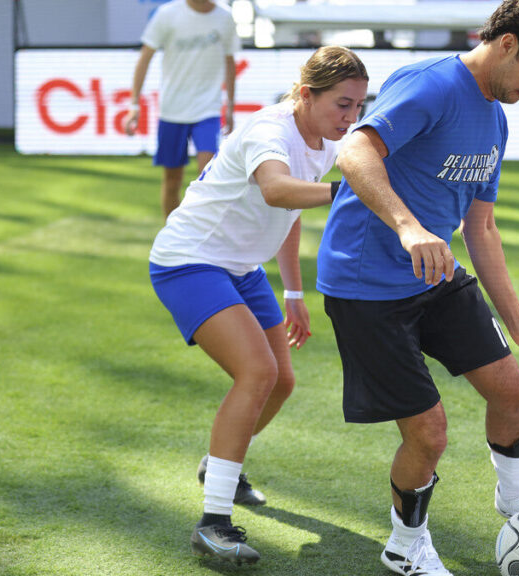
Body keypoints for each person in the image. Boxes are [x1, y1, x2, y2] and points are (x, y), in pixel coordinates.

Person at [315, 1, 519, 574]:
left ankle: (515, 503)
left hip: (435, 278)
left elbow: (481, 227)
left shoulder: (496, 120)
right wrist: (408, 226)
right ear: (509, 43)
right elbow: (354, 150)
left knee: (514, 395)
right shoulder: (432, 85)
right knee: (429, 433)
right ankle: (405, 545)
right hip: (366, 286)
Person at [148, 46, 369, 565]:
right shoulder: (270, 130)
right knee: (257, 372)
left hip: (241, 268)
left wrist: (293, 292)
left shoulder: (325, 140)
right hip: (189, 261)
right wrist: (348, 191)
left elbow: (290, 212)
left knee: (282, 381)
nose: (351, 117)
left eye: (359, 106)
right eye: (342, 104)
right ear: (306, 94)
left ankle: (218, 464)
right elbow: (276, 191)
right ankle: (213, 524)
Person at [123, 0, 239, 219]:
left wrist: (230, 107)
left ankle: (204, 232)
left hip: (208, 109)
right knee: (172, 180)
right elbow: (144, 59)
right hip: (172, 110)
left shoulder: (224, 16)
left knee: (209, 178)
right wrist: (134, 105)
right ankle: (172, 234)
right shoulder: (167, 14)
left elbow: (230, 61)